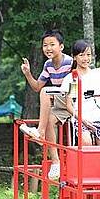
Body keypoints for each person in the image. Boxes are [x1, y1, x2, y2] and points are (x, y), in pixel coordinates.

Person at [20, 29, 73, 179]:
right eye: (45, 45)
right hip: (60, 101)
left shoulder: (70, 62)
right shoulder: (48, 65)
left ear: (61, 46)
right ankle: (55, 162)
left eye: (52, 44)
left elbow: (85, 75)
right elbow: (37, 87)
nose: (48, 48)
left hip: (73, 100)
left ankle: (39, 131)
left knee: (46, 92)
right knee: (49, 117)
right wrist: (28, 73)